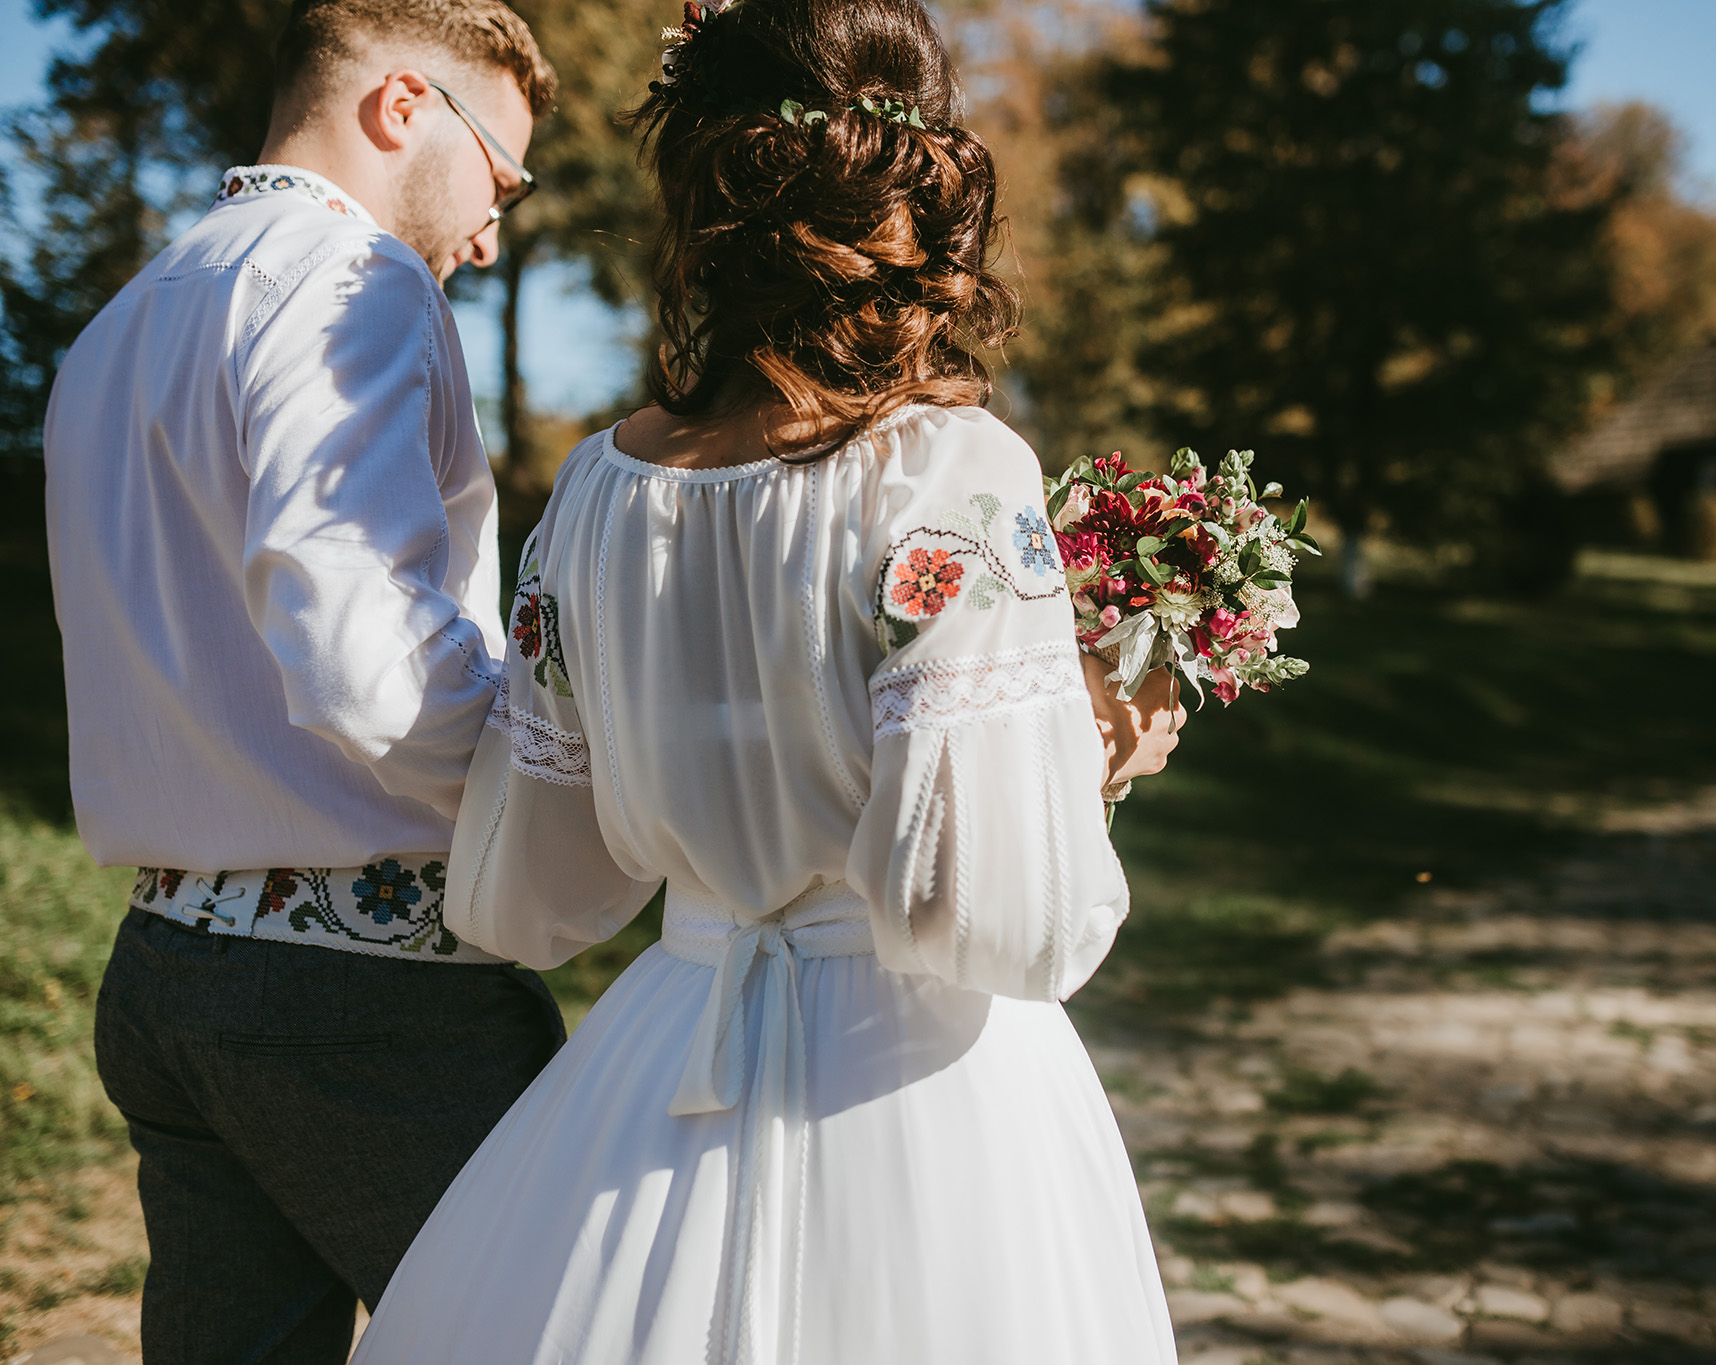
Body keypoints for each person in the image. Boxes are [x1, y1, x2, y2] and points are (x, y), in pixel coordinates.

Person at [353, 1, 1184, 1361]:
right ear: (917, 200)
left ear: (705, 201)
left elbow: (536, 886)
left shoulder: (600, 493)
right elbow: (997, 913)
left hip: (669, 1050)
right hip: (920, 1085)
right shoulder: (955, 476)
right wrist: (1094, 756)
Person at [42, 2, 561, 1358]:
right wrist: (548, 780)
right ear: (403, 106)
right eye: (502, 176)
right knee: (576, 1324)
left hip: (166, 971)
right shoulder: (356, 280)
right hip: (365, 990)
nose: (495, 229)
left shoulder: (116, 328)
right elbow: (362, 652)